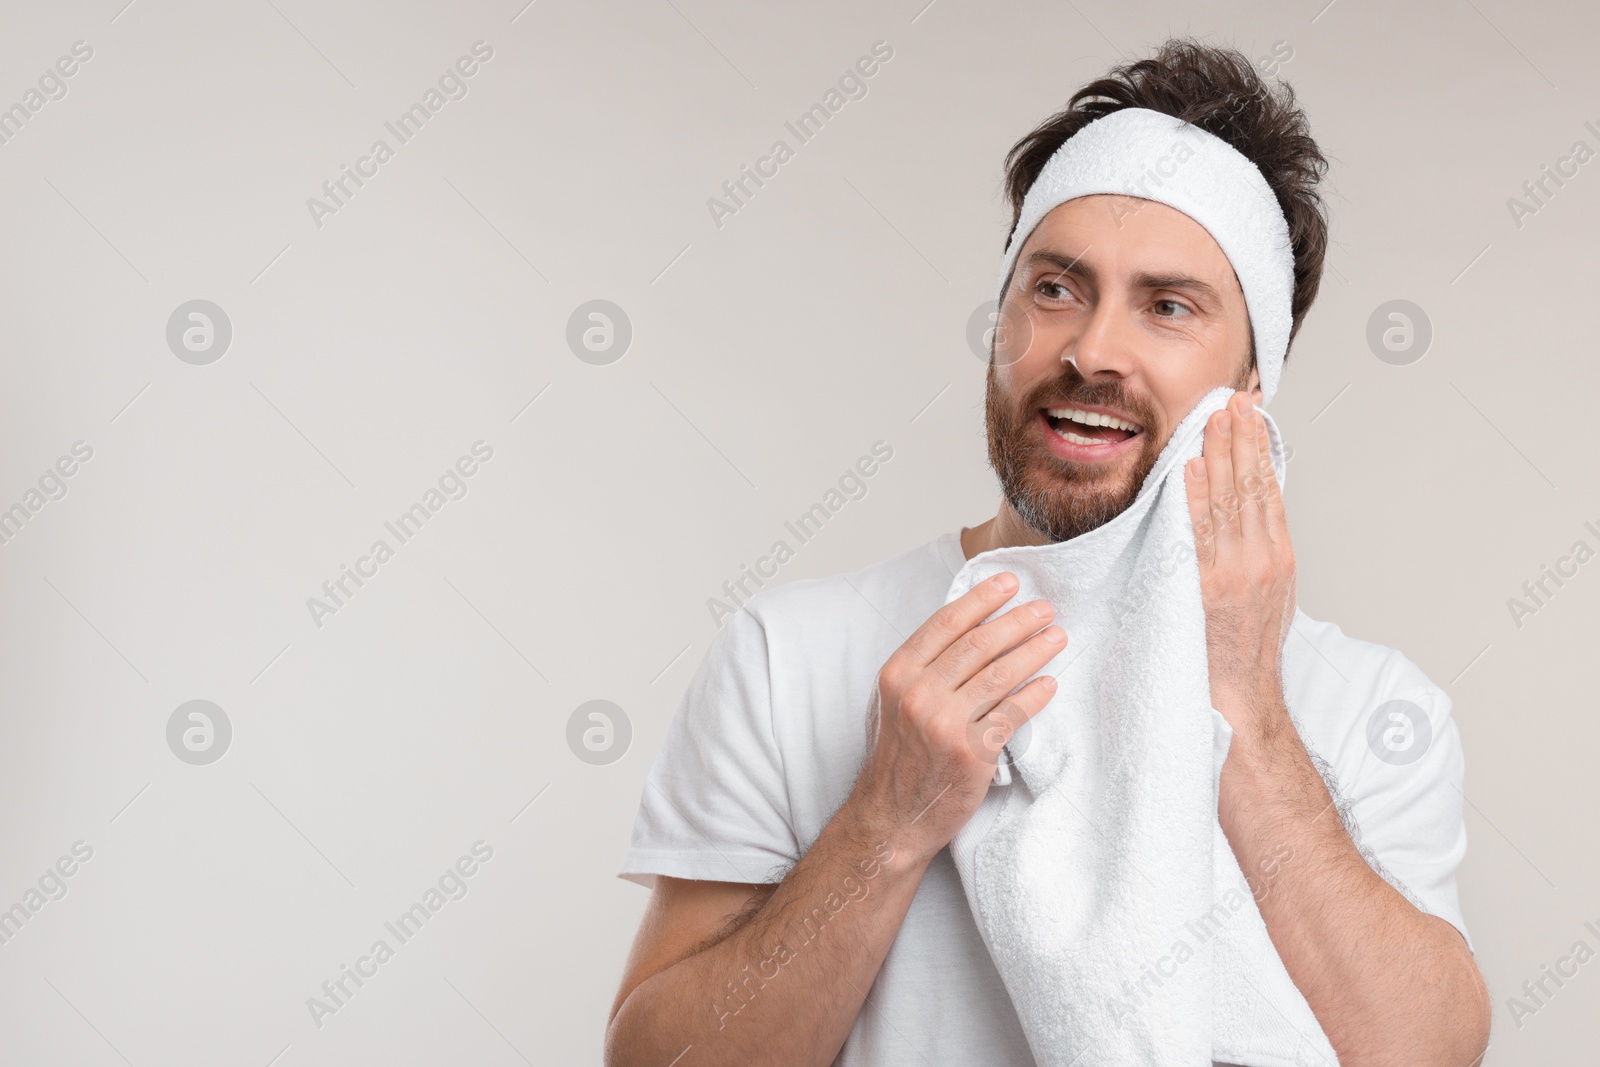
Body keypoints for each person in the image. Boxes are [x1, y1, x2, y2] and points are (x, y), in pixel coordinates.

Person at [605, 38, 1490, 1067]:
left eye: (1167, 306)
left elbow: (1426, 1051)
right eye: (1057, 289)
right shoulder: (789, 654)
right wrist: (887, 820)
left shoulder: (1371, 707)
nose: (1091, 350)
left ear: (1252, 382)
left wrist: (1243, 710)